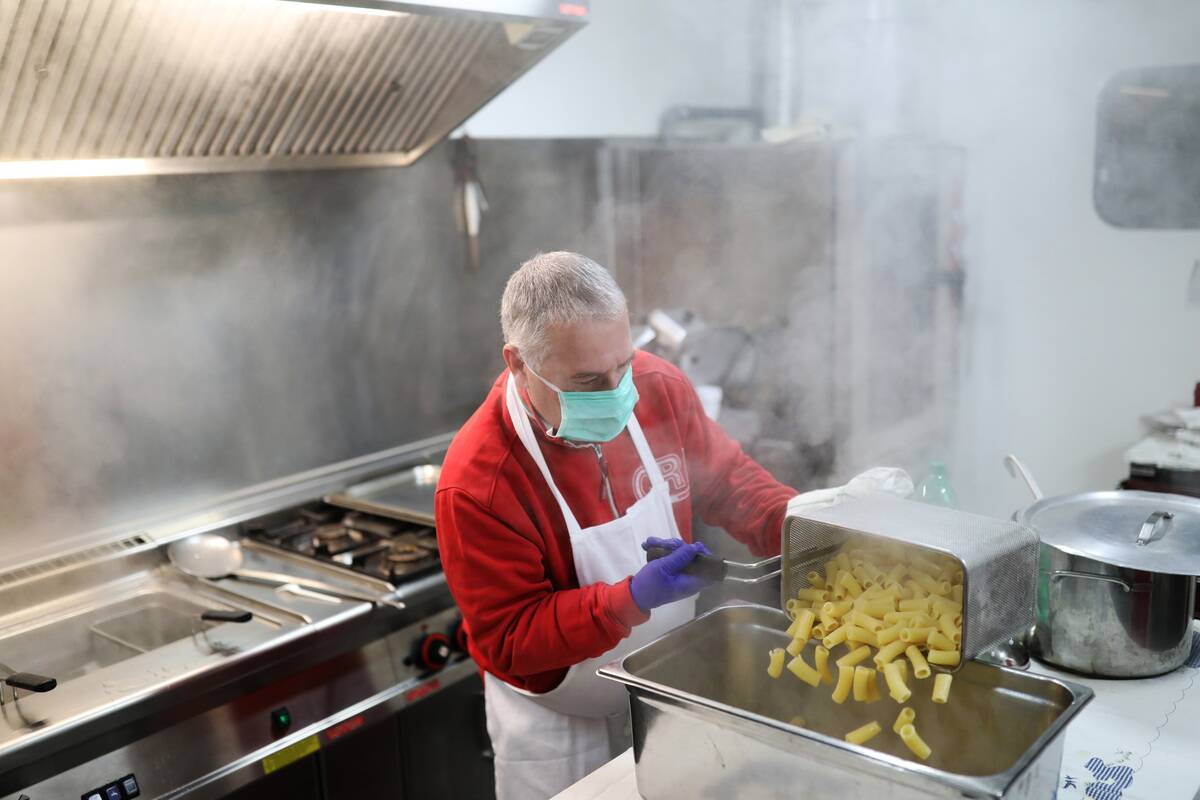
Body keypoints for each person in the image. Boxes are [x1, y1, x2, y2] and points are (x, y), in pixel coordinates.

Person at [435, 252, 797, 799]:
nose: (616, 394)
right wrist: (630, 598)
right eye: (586, 380)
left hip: (669, 688)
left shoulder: (659, 388)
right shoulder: (479, 482)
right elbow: (511, 638)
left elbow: (730, 484)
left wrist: (812, 530)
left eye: (621, 366)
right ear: (517, 363)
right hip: (559, 722)